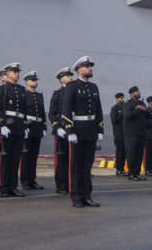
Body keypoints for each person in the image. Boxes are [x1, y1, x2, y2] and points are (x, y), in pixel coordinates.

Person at [59, 56, 104, 208]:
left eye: (90, 66)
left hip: (90, 130)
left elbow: (98, 110)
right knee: (75, 165)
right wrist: (70, 130)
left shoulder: (94, 87)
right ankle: (76, 196)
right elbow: (66, 110)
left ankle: (87, 195)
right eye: (86, 66)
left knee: (87, 166)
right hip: (77, 130)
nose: (90, 68)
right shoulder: (72, 86)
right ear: (79, 69)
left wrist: (100, 129)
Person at [0, 62, 29, 197]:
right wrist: (0, 125)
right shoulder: (0, 90)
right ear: (7, 74)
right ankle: (3, 187)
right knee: (5, 159)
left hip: (18, 127)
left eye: (17, 72)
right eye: (14, 72)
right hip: (7, 127)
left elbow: (23, 110)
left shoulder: (20, 89)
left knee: (15, 159)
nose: (17, 74)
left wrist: (25, 126)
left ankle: (13, 186)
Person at [20, 71, 46, 190]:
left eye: (35, 80)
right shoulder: (24, 95)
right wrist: (24, 127)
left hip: (37, 127)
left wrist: (44, 127)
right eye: (32, 80)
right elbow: (22, 113)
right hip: (28, 127)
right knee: (26, 156)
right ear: (27, 82)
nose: (35, 82)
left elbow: (42, 113)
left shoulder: (39, 96)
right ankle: (25, 180)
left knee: (34, 156)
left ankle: (32, 179)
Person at [49, 67, 74, 194]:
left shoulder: (76, 91)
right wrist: (57, 127)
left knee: (74, 159)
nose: (70, 77)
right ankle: (61, 185)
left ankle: (72, 185)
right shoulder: (57, 94)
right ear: (62, 79)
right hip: (62, 131)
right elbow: (52, 113)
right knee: (61, 160)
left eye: (71, 75)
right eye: (68, 76)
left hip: (74, 130)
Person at [123, 86, 148, 181]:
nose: (139, 93)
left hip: (141, 133)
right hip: (131, 134)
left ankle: (137, 173)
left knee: (139, 154)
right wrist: (137, 109)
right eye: (137, 92)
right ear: (132, 93)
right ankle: (131, 174)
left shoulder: (142, 103)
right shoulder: (127, 104)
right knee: (132, 154)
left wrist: (145, 110)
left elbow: (148, 115)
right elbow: (127, 116)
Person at [110, 92, 126, 176]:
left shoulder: (126, 107)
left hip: (126, 133)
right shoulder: (114, 109)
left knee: (124, 152)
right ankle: (118, 169)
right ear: (117, 99)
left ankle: (122, 168)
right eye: (120, 98)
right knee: (119, 152)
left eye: (122, 97)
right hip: (118, 133)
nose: (122, 99)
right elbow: (114, 120)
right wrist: (122, 113)